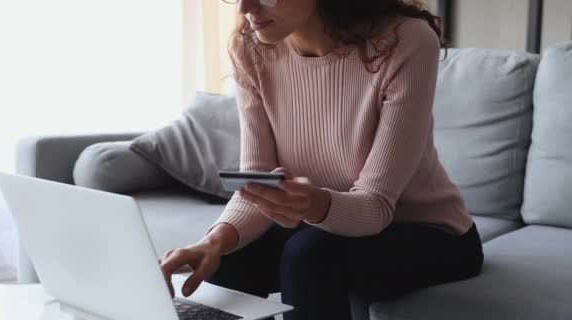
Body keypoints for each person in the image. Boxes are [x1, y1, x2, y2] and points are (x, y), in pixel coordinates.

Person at [160, 0, 484, 319]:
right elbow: (257, 186)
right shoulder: (251, 46)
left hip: (428, 232)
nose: (246, 8)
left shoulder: (406, 41)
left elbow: (376, 207)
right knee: (225, 258)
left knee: (310, 254)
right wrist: (213, 241)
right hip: (319, 225)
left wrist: (311, 205)